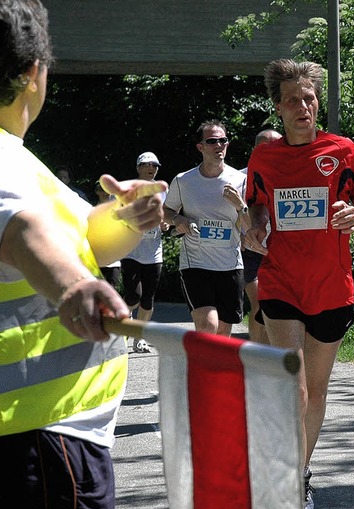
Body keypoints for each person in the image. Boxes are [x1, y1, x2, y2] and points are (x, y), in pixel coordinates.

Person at [0, 0, 167, 509]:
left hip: (19, 441)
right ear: (33, 72)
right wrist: (74, 285)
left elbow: (79, 238)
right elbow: (22, 230)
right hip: (29, 445)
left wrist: (123, 217)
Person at [244, 59, 354, 509]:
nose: (303, 106)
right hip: (281, 282)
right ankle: (286, 490)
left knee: (317, 392)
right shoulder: (265, 156)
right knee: (295, 389)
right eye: (292, 101)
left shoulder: (343, 151)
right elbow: (257, 205)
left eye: (309, 98)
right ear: (278, 109)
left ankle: (299, 473)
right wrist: (255, 226)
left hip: (330, 287)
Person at [164, 120, 247, 336]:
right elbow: (166, 211)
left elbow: (248, 225)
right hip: (196, 264)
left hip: (229, 264)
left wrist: (241, 206)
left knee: (223, 331)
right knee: (208, 324)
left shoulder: (240, 180)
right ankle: (202, 367)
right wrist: (178, 220)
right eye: (212, 141)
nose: (219, 145)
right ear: (200, 147)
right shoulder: (184, 181)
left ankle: (212, 369)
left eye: (223, 140)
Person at [121, 151, 170, 353]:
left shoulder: (163, 190)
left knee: (147, 299)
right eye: (147, 165)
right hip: (131, 251)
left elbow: (168, 214)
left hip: (154, 252)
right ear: (138, 167)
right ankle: (125, 320)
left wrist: (166, 224)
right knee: (133, 296)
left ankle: (139, 338)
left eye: (155, 166)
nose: (152, 168)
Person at [241, 128, 282, 344]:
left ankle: (275, 352)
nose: (272, 149)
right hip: (252, 250)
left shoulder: (291, 174)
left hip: (282, 249)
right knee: (259, 303)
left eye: (277, 144)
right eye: (266, 145)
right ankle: (258, 354)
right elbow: (232, 216)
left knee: (277, 306)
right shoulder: (241, 178)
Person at [94, 180, 121, 291]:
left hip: (114, 260)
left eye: (107, 190)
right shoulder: (92, 210)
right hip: (98, 259)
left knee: (111, 290)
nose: (105, 193)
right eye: (101, 190)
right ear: (96, 192)